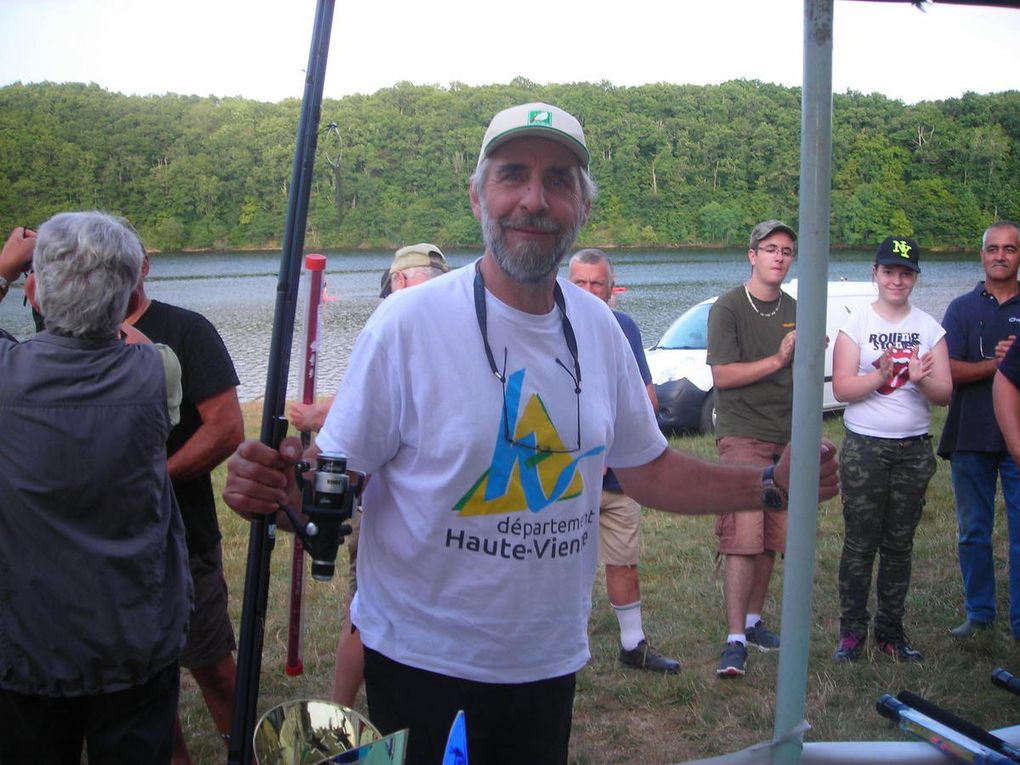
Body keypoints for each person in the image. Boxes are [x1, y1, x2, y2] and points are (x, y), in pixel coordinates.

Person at [223, 102, 838, 765]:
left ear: (582, 207)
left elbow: (649, 468)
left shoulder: (599, 330)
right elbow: (337, 481)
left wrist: (771, 485)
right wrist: (284, 490)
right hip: (424, 657)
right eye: (513, 174)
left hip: (548, 659)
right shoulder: (407, 324)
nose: (534, 200)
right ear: (478, 196)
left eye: (559, 180)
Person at [0, 210, 191, 764]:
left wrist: (7, 269)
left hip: (28, 647)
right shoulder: (159, 371)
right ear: (133, 292)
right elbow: (127, 337)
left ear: (37, 292)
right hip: (133, 640)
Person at [288, 242, 451, 708]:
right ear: (400, 281)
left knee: (375, 612)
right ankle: (342, 715)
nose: (430, 287)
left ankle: (350, 712)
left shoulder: (436, 322)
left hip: (428, 506)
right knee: (367, 611)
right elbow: (372, 411)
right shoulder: (397, 323)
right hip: (386, 498)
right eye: (425, 277)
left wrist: (319, 413)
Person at [125, 254, 245, 764]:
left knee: (213, 666)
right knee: (143, 681)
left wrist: (153, 480)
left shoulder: (185, 328)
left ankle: (244, 752)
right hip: (110, 546)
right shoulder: (66, 328)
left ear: (143, 266)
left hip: (184, 534)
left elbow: (226, 428)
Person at [831, 236, 951, 663]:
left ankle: (890, 631)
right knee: (860, 544)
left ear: (914, 278)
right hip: (865, 449)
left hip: (913, 450)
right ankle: (851, 633)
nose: (896, 280)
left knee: (899, 545)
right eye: (889, 271)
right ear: (875, 274)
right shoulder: (856, 325)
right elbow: (843, 388)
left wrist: (919, 377)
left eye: (905, 273)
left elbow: (945, 394)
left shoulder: (929, 327)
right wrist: (879, 376)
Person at [567, 248, 679, 674]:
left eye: (598, 283)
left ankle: (633, 644)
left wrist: (617, 450)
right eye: (581, 283)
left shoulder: (625, 328)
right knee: (558, 561)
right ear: (566, 283)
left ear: (612, 289)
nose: (591, 291)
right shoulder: (548, 327)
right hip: (566, 477)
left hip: (618, 477)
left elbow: (646, 398)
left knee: (623, 557)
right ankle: (557, 645)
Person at [706, 219, 798, 679]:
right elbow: (722, 376)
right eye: (770, 249)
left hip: (786, 436)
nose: (779, 257)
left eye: (786, 251)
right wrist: (779, 359)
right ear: (752, 255)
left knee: (772, 536)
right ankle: (734, 639)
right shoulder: (728, 307)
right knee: (743, 536)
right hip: (742, 433)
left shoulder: (797, 309)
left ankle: (757, 621)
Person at [938, 221, 1020, 640]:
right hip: (970, 436)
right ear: (982, 254)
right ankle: (979, 611)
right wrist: (999, 364)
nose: (1001, 256)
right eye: (993, 249)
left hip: (1018, 441)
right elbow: (946, 369)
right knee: (974, 531)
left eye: (1010, 249)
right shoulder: (961, 309)